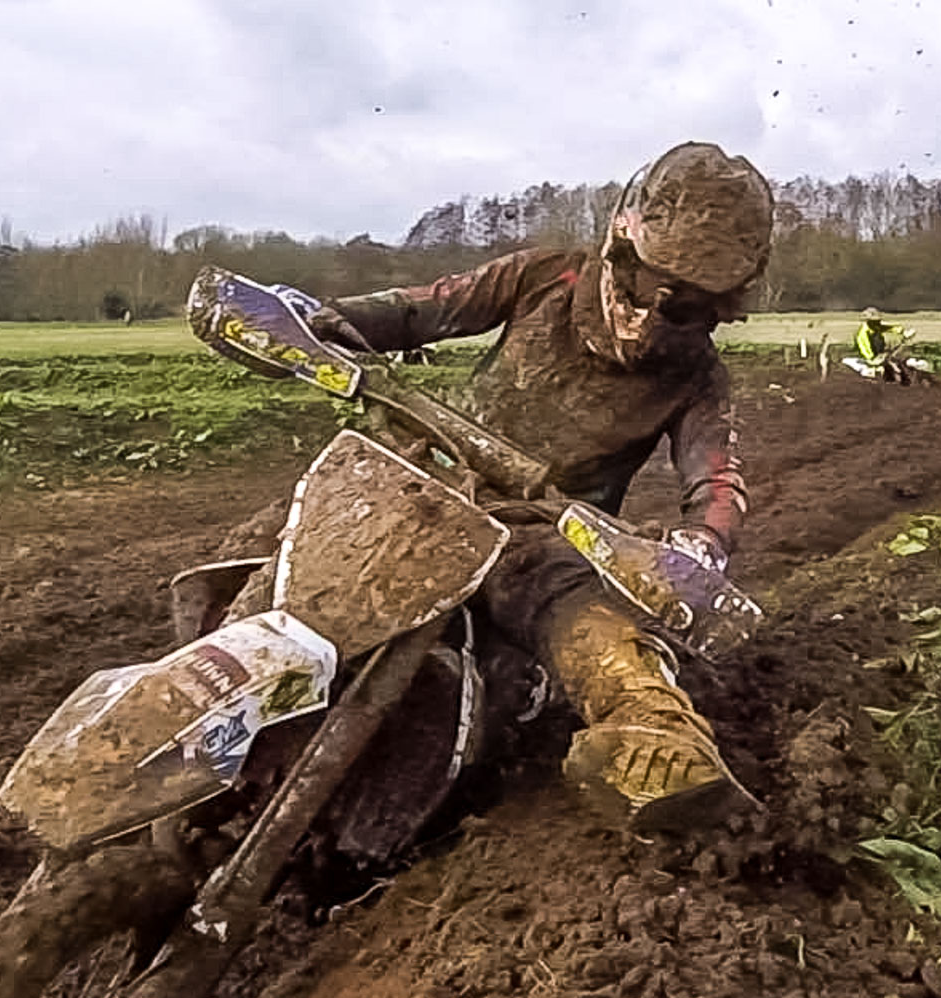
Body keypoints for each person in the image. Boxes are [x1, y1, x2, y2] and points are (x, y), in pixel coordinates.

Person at [242, 143, 776, 835]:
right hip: (420, 477)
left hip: (539, 533)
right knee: (273, 542)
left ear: (724, 308)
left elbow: (717, 479)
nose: (655, 313)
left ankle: (654, 728)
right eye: (650, 286)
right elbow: (426, 309)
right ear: (621, 245)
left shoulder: (698, 379)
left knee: (582, 617)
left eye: (689, 308)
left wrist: (701, 545)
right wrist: (321, 320)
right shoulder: (544, 277)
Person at [855, 307, 909, 382]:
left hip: (881, 354)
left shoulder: (875, 328)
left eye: (878, 321)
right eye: (876, 321)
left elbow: (889, 328)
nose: (878, 323)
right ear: (869, 322)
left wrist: (901, 331)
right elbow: (865, 349)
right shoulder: (863, 334)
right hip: (873, 358)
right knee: (891, 365)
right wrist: (874, 359)